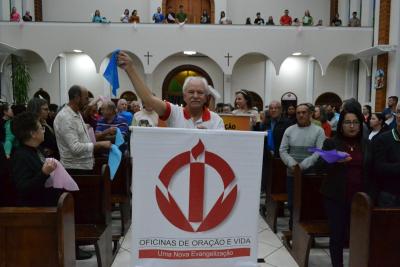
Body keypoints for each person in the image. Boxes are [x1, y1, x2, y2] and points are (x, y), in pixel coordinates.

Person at [318, 106, 371, 267]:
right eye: (348, 122)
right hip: (336, 197)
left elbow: (372, 170)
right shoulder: (331, 142)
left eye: (355, 122)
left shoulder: (367, 144)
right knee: (337, 236)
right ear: (341, 125)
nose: (352, 126)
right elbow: (320, 166)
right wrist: (333, 160)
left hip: (361, 200)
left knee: (360, 237)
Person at [117, 51, 224, 130]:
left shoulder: (216, 121)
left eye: (200, 92)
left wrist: (209, 138)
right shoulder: (174, 113)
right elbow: (148, 99)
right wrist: (130, 68)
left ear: (206, 97)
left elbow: (221, 150)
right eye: (191, 92)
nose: (195, 95)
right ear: (184, 95)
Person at [280, 104, 325, 230]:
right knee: (292, 203)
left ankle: (307, 230)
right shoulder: (289, 130)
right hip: (292, 172)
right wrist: (293, 164)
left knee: (309, 203)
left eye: (304, 112)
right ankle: (293, 228)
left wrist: (303, 165)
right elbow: (283, 150)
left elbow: (319, 151)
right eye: (298, 112)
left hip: (310, 174)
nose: (301, 115)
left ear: (310, 114)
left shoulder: (318, 131)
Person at [54, 85, 111, 174]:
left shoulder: (76, 112)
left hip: (83, 166)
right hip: (74, 169)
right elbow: (75, 148)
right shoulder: (65, 117)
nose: (88, 101)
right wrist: (100, 145)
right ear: (77, 98)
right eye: (86, 98)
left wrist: (84, 126)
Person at [11, 112, 62, 207]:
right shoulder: (20, 156)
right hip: (35, 209)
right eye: (41, 128)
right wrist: (44, 173)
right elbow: (23, 188)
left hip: (47, 203)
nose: (44, 131)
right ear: (33, 134)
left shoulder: (37, 148)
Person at [372, 103, 400, 207]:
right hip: (390, 195)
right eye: (399, 112)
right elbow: (378, 167)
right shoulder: (383, 139)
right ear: (395, 115)